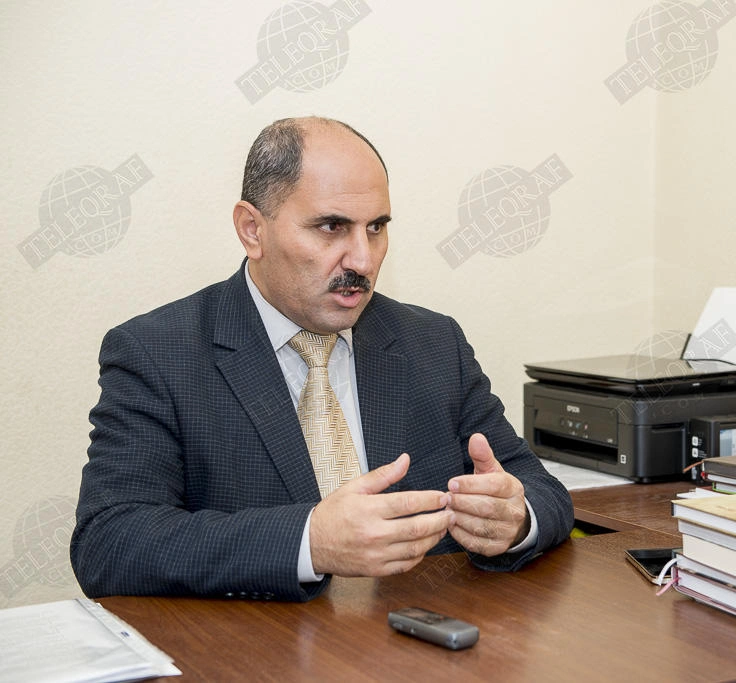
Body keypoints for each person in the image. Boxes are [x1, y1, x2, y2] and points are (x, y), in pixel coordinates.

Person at [70, 117, 575, 601]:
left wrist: (516, 518)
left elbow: (541, 491)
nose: (363, 259)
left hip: (417, 637)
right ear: (252, 229)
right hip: (257, 645)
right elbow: (110, 542)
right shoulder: (157, 353)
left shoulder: (433, 343)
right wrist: (308, 541)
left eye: (376, 227)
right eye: (332, 226)